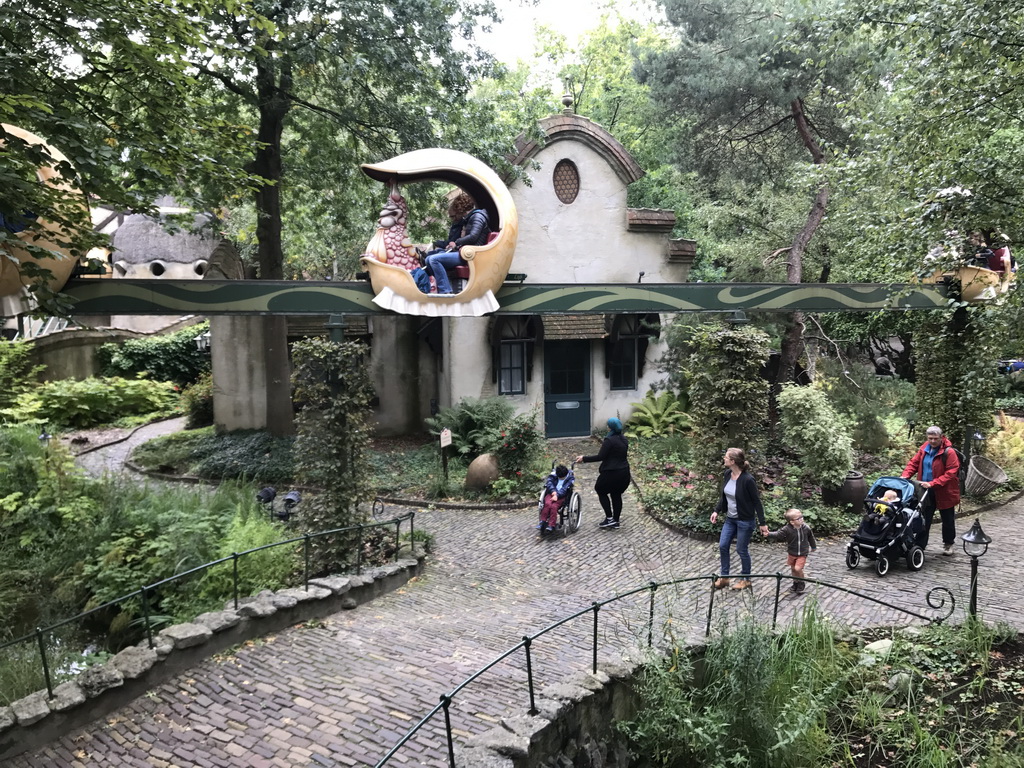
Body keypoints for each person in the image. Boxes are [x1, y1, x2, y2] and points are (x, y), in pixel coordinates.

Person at [709, 447, 768, 590]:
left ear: (733, 461)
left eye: (726, 457)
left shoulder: (748, 480)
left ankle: (746, 579)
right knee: (723, 546)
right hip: (730, 519)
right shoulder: (728, 474)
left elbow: (756, 502)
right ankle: (724, 578)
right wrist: (716, 510)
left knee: (741, 550)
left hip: (745, 521)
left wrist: (762, 523)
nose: (724, 458)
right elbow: (724, 496)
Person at [901, 426, 960, 555]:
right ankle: (920, 546)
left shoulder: (949, 452)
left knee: (948, 519)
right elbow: (913, 464)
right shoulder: (924, 449)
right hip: (924, 490)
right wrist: (905, 476)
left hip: (944, 491)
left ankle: (948, 544)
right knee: (923, 518)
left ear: (941, 437)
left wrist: (933, 483)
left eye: (935, 439)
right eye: (930, 438)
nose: (932, 441)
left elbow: (951, 472)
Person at [421, 192, 489, 295]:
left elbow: (473, 236)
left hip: (472, 255)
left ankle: (445, 291)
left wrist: (456, 243)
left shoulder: (478, 216)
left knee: (434, 260)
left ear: (460, 208)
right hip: (465, 252)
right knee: (429, 258)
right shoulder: (470, 218)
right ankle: (436, 287)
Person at [575, 417, 631, 530]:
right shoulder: (624, 439)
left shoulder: (609, 441)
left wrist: (584, 458)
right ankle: (616, 520)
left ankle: (609, 518)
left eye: (608, 425)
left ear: (611, 427)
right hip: (624, 472)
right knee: (616, 494)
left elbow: (600, 456)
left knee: (600, 490)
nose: (607, 427)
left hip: (611, 472)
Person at [765, 509, 817, 594]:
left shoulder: (806, 528)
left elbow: (811, 537)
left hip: (802, 553)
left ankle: (801, 583)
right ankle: (795, 583)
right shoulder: (787, 529)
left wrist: (813, 546)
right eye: (798, 518)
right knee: (793, 569)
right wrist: (769, 534)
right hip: (792, 552)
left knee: (798, 568)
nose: (801, 519)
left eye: (801, 517)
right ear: (792, 522)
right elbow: (779, 534)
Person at [537, 464, 574, 532]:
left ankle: (552, 524)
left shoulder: (570, 479)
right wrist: (553, 491)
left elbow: (565, 488)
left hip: (562, 496)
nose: (561, 479)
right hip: (551, 493)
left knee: (554, 506)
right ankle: (543, 521)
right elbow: (549, 483)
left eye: (562, 478)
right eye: (559, 478)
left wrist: (557, 495)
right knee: (547, 504)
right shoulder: (553, 476)